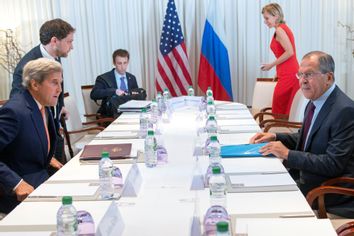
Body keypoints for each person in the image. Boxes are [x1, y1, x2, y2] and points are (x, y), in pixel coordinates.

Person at [250, 51, 354, 217]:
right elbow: (308, 138)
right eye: (300, 74)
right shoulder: (315, 101)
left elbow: (332, 163)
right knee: (255, 181)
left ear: (328, 78)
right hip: (305, 176)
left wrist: (287, 154)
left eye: (309, 74)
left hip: (326, 189)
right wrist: (276, 137)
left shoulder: (345, 111)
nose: (302, 80)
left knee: (262, 201)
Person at [10, 18, 75, 167]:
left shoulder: (55, 56)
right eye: (69, 41)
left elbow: (57, 86)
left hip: (54, 130)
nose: (72, 46)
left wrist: (59, 106)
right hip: (38, 139)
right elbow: (18, 105)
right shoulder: (27, 66)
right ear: (54, 41)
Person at [0, 58, 62, 214]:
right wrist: (16, 183)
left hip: (40, 178)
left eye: (60, 83)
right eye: (54, 83)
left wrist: (46, 155)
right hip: (19, 192)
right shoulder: (14, 111)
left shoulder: (42, 105)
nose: (60, 89)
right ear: (35, 84)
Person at [261, 3, 300, 116]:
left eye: (267, 18)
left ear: (276, 16)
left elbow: (290, 52)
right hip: (287, 72)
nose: (265, 21)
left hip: (289, 73)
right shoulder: (282, 29)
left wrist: (271, 65)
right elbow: (286, 53)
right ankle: (280, 130)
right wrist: (278, 71)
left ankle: (279, 131)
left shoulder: (280, 30)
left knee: (279, 108)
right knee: (281, 106)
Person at [90, 49, 146, 118]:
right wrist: (114, 91)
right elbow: (94, 94)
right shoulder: (103, 78)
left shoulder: (132, 78)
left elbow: (135, 97)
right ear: (114, 63)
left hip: (130, 114)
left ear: (128, 62)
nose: (123, 67)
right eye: (119, 63)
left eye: (125, 63)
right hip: (110, 116)